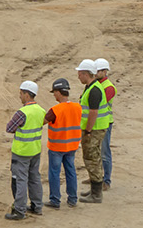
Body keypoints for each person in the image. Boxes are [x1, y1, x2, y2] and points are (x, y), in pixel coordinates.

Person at [5, 81, 45, 220]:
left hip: (21, 152)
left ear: (27, 95)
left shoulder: (22, 113)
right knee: (34, 178)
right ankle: (37, 206)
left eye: (21, 93)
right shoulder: (41, 110)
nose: (20, 96)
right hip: (35, 150)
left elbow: (9, 128)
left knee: (21, 180)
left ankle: (19, 211)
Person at [76, 59, 111, 204]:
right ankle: (94, 189)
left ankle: (96, 194)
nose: (78, 77)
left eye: (80, 74)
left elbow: (93, 112)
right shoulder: (92, 87)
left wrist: (88, 131)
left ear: (86, 74)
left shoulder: (94, 90)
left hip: (94, 129)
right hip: (95, 128)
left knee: (92, 158)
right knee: (92, 158)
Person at [43, 78, 81, 209]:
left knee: (54, 173)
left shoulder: (55, 110)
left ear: (59, 92)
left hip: (56, 147)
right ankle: (72, 199)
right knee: (70, 171)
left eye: (54, 92)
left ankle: (55, 200)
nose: (54, 94)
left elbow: (42, 121)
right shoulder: (77, 107)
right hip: (72, 146)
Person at [93, 58, 116, 191]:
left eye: (97, 71)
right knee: (95, 152)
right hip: (97, 122)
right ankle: (96, 178)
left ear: (104, 71)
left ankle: (106, 180)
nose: (95, 74)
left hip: (105, 123)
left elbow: (98, 104)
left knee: (104, 152)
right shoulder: (96, 84)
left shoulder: (109, 87)